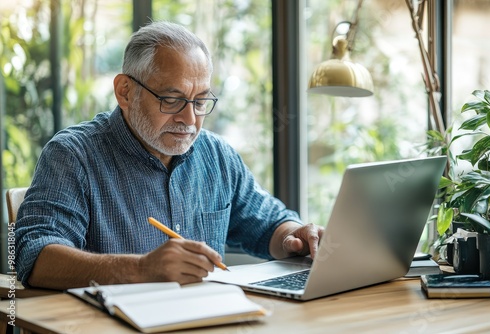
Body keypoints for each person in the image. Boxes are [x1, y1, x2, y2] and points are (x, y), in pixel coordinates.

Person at [15, 21, 324, 290]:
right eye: (172, 100)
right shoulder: (73, 156)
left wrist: (293, 236)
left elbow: (268, 225)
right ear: (125, 91)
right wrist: (141, 269)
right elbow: (34, 256)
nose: (190, 119)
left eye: (200, 101)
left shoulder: (216, 156)